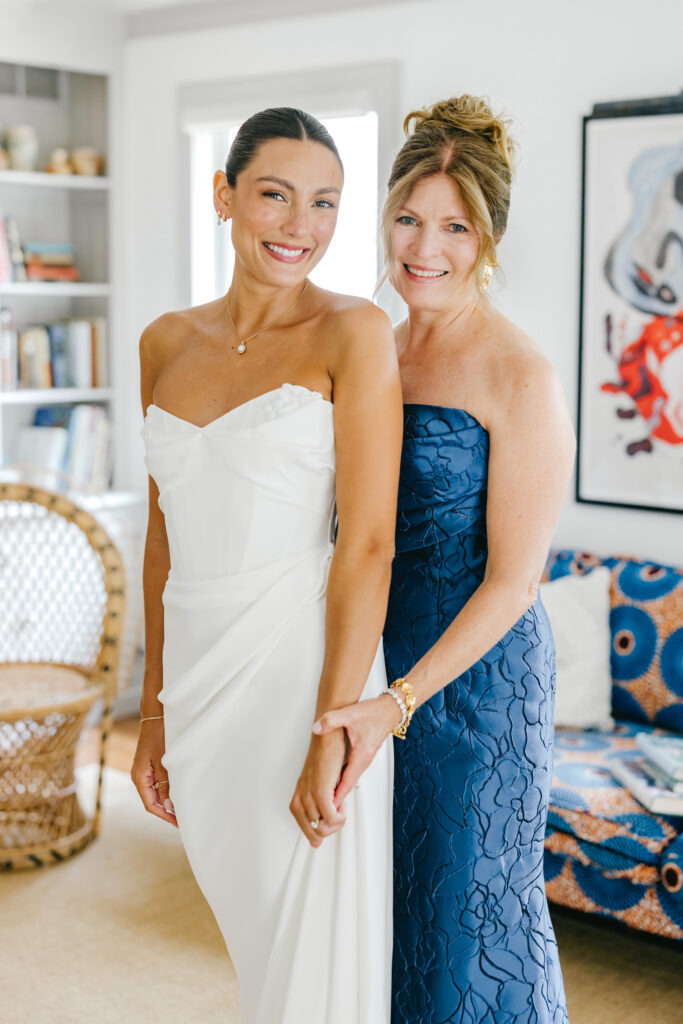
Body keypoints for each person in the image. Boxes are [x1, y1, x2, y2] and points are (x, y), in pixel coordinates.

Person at [131, 107, 402, 1024]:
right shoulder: (164, 343)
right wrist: (153, 710)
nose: (300, 227)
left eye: (324, 203)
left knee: (312, 951)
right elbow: (164, 537)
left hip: (303, 671)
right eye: (275, 196)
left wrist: (333, 727)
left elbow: (368, 542)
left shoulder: (353, 332)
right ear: (224, 197)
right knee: (253, 937)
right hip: (202, 688)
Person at [313, 95, 574, 1022]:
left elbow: (515, 580)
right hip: (377, 667)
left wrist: (398, 701)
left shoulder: (519, 375)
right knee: (383, 917)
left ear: (488, 236)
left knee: (468, 922)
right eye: (408, 218)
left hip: (476, 691)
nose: (424, 246)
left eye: (454, 225)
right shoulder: (373, 350)